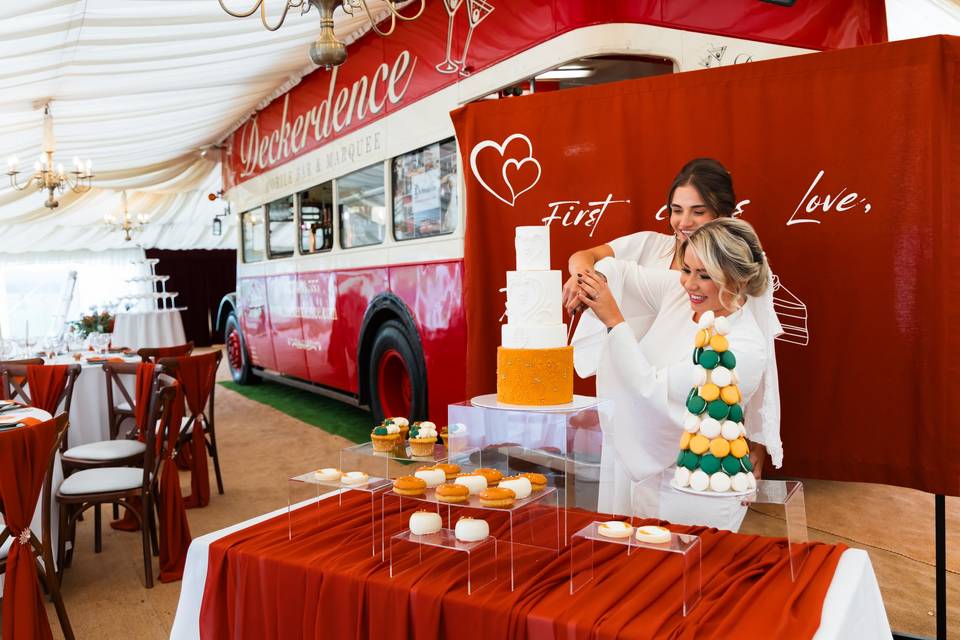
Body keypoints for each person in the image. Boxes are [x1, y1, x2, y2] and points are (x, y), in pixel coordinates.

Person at [568, 158, 778, 477]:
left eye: (698, 211)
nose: (684, 221)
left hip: (679, 407)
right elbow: (598, 262)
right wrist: (586, 277)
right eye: (677, 209)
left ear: (722, 216)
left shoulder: (739, 283)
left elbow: (757, 369)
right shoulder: (656, 255)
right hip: (633, 401)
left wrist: (757, 437)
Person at [575, 218, 781, 528]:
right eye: (686, 270)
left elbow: (653, 393)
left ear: (737, 280)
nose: (688, 284)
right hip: (648, 483)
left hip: (700, 493)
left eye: (704, 275)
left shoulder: (742, 349)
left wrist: (615, 322)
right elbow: (622, 272)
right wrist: (590, 278)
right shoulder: (684, 295)